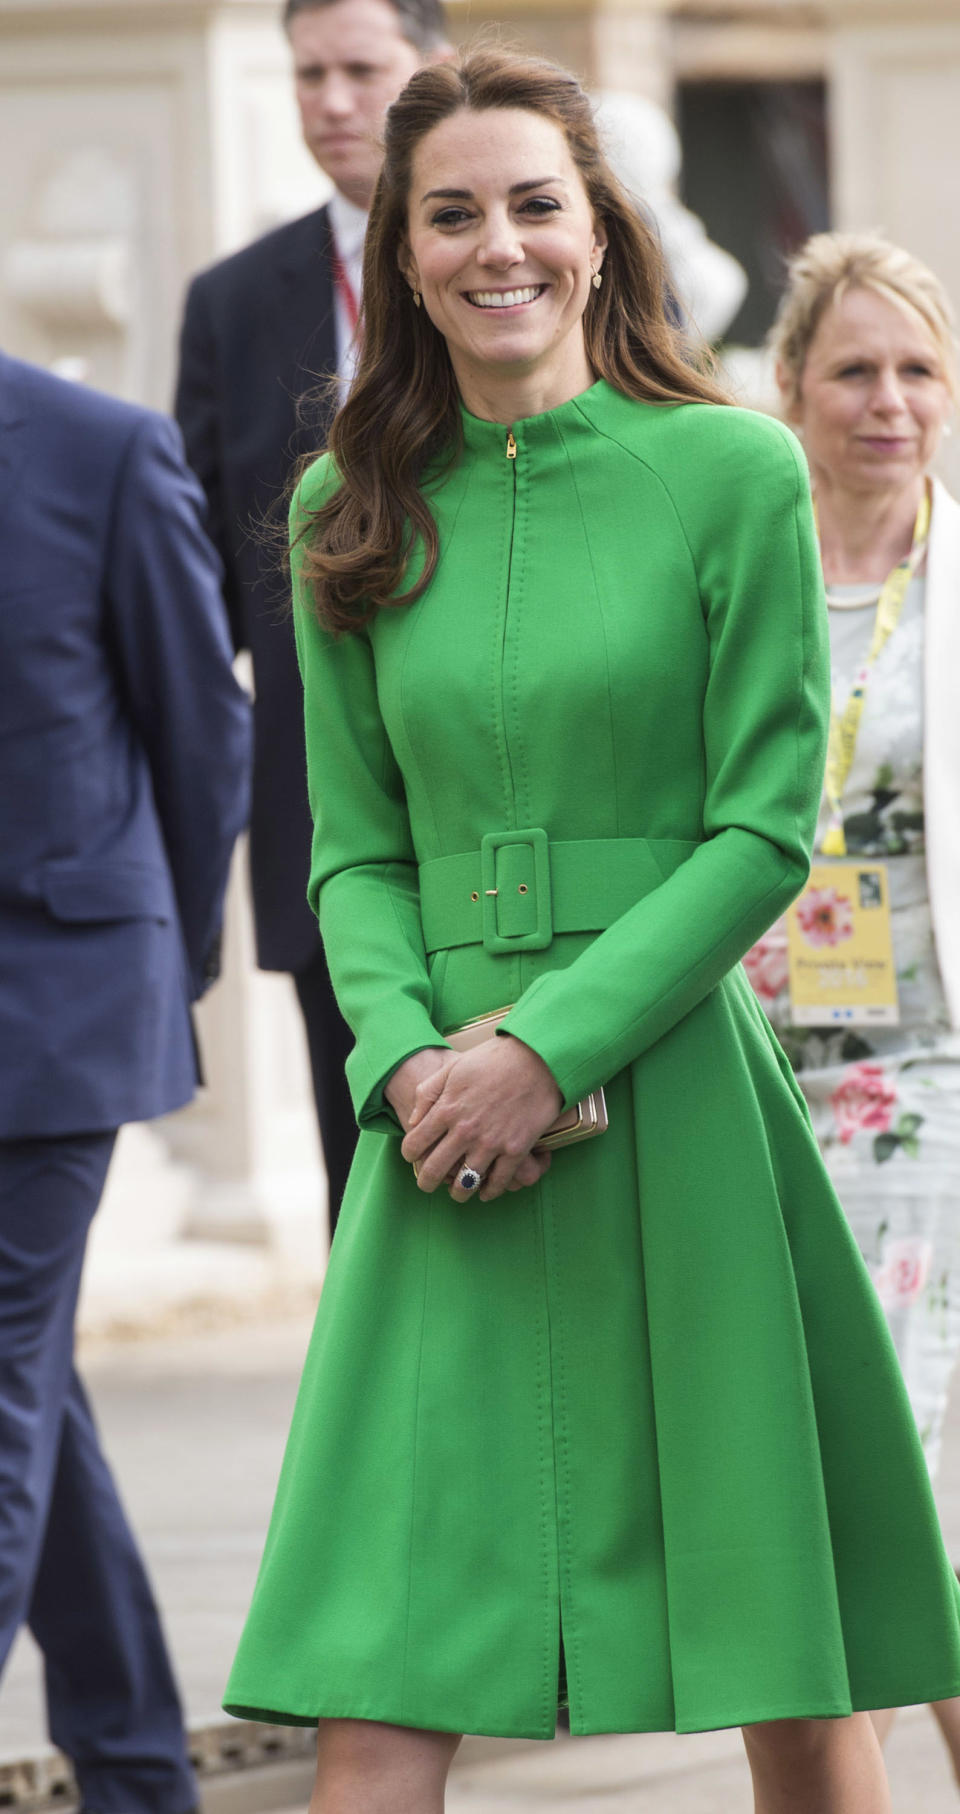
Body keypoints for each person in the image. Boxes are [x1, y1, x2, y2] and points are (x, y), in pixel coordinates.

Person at [223, 49, 960, 1814]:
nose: (500, 245)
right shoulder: (346, 505)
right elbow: (355, 848)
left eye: (535, 203)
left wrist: (546, 1047)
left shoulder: (729, 472)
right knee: (378, 1673)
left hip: (679, 1091)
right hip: (439, 1124)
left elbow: (759, 824)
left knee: (789, 1661)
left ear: (600, 232)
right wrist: (415, 1063)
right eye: (451, 213)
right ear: (399, 255)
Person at [0, 350, 252, 1814]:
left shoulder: (102, 450)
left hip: (54, 1015)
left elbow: (201, 723)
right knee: (37, 1393)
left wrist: (168, 949)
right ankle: (141, 1770)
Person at [174, 0, 451, 1238]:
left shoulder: (524, 266)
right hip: (319, 814)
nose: (332, 100)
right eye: (308, 75)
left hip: (513, 789)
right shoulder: (234, 302)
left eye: (361, 70)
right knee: (369, 1202)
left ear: (430, 71)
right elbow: (191, 575)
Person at [743, 231, 960, 1781]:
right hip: (749, 1082)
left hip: (931, 1075)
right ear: (791, 388)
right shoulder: (738, 575)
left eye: (919, 370)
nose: (889, 402)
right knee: (829, 1500)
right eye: (856, 370)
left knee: (891, 1484)